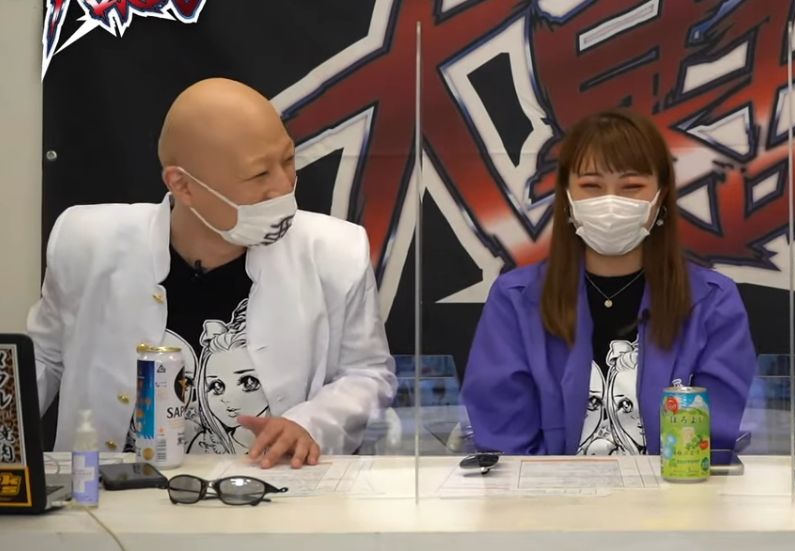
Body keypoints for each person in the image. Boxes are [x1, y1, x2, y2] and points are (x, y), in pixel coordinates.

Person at [29, 78, 397, 469]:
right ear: (183, 185)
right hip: (108, 494)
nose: (284, 185)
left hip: (267, 491)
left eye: (288, 160)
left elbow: (368, 374)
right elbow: (41, 359)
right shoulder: (87, 242)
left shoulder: (336, 252)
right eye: (259, 174)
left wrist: (310, 424)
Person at [461, 109, 757, 455]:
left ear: (661, 195)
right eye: (591, 186)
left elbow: (714, 440)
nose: (611, 202)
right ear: (566, 196)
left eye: (632, 187)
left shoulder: (711, 301)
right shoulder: (516, 300)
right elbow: (505, 440)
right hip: (544, 491)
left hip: (674, 489)